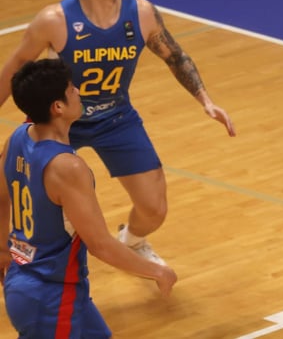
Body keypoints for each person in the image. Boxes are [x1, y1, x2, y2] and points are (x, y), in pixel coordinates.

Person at [0, 0, 236, 266]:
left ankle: (131, 242)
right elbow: (16, 65)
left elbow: (175, 56)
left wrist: (205, 100)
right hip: (60, 119)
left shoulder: (141, 13)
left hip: (116, 117)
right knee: (6, 183)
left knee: (154, 209)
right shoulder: (55, 20)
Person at [1, 59, 177, 338]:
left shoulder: (17, 138)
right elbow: (101, 245)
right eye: (71, 89)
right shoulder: (67, 168)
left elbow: (1, 197)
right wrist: (157, 271)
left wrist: (3, 249)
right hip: (51, 296)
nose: (79, 91)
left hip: (34, 284)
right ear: (58, 107)